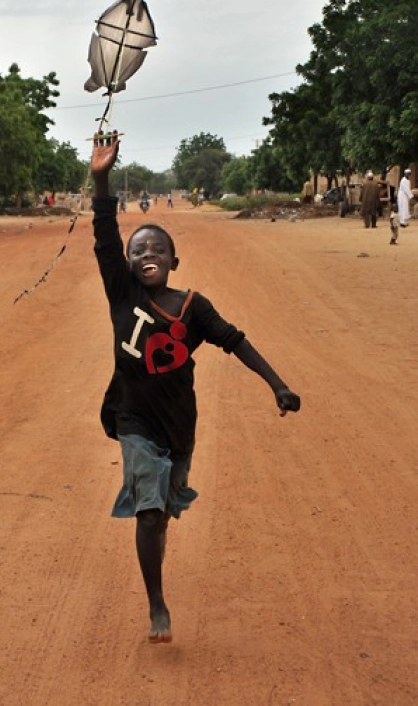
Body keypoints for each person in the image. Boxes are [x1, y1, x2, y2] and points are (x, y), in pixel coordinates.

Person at [90, 133, 301, 645]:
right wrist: (101, 179)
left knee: (163, 515)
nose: (147, 253)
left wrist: (277, 385)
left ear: (174, 261)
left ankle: (156, 553)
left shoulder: (193, 308)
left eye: (157, 248)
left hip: (179, 425)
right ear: (128, 262)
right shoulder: (122, 294)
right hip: (134, 421)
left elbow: (235, 341)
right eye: (138, 249)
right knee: (148, 511)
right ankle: (157, 606)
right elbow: (104, 236)